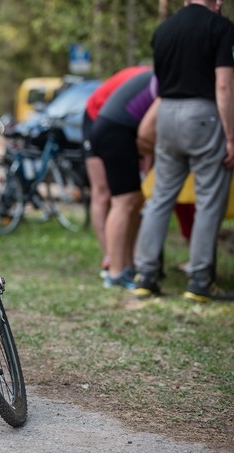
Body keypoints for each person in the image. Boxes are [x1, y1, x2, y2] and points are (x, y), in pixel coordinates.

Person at [134, 0, 234, 302]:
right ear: (215, 2)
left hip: (166, 114)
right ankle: (201, 280)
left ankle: (146, 275)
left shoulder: (164, 30)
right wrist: (230, 135)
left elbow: (160, 82)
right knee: (209, 199)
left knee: (161, 197)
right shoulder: (220, 27)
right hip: (204, 115)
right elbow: (225, 86)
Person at [90, 69, 157, 289]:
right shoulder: (167, 75)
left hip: (118, 129)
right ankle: (116, 272)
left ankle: (127, 266)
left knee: (134, 200)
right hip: (115, 131)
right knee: (123, 202)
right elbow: (148, 130)